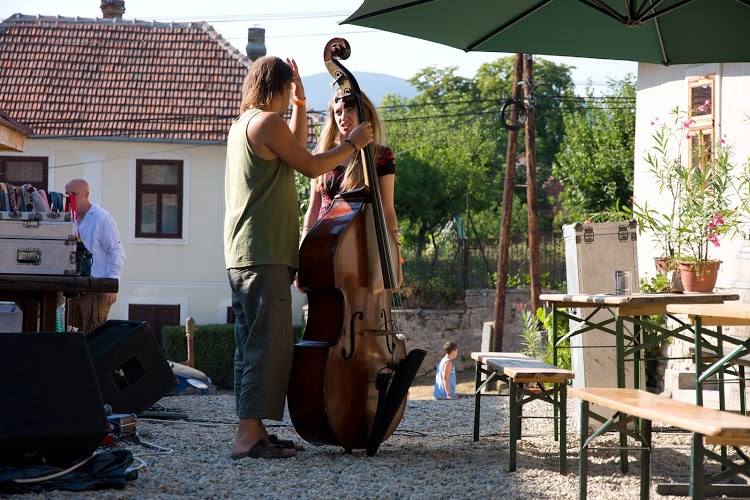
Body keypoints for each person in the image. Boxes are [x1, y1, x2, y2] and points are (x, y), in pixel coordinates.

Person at [224, 56, 373, 460]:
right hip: (264, 252)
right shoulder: (266, 123)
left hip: (246, 253)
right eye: (291, 89)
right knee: (266, 346)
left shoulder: (246, 124)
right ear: (279, 86)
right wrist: (352, 145)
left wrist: (302, 108)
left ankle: (251, 430)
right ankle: (248, 438)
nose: (293, 94)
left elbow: (291, 150)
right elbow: (310, 165)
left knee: (250, 344)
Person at [302, 91, 398, 241]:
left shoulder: (381, 156)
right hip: (322, 242)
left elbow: (387, 209)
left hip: (362, 242)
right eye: (338, 112)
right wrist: (304, 244)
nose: (342, 118)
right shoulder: (323, 154)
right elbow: (314, 207)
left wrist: (395, 246)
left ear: (364, 112)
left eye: (349, 110)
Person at [65, 179, 125, 333]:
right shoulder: (70, 219)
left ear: (86, 195)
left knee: (93, 336)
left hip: (96, 288)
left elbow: (116, 251)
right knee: (72, 335)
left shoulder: (102, 218)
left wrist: (112, 284)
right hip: (74, 288)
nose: (70, 198)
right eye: (67, 195)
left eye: (74, 194)